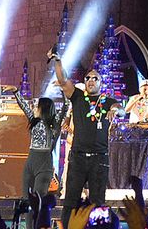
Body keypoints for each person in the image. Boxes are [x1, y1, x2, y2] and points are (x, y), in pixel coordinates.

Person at [51, 52, 118, 225]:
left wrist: (116, 110)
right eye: (88, 77)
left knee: (98, 202)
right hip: (78, 157)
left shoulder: (108, 101)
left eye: (95, 78)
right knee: (71, 201)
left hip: (99, 159)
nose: (90, 80)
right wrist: (58, 61)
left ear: (100, 83)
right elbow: (64, 80)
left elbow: (120, 108)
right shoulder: (78, 97)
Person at [11, 90, 68, 213]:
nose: (34, 108)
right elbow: (24, 106)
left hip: (44, 165)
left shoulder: (54, 123)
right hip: (30, 164)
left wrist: (64, 90)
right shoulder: (34, 120)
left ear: (44, 109)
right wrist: (16, 91)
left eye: (37, 107)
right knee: (26, 201)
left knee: (37, 202)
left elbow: (66, 106)